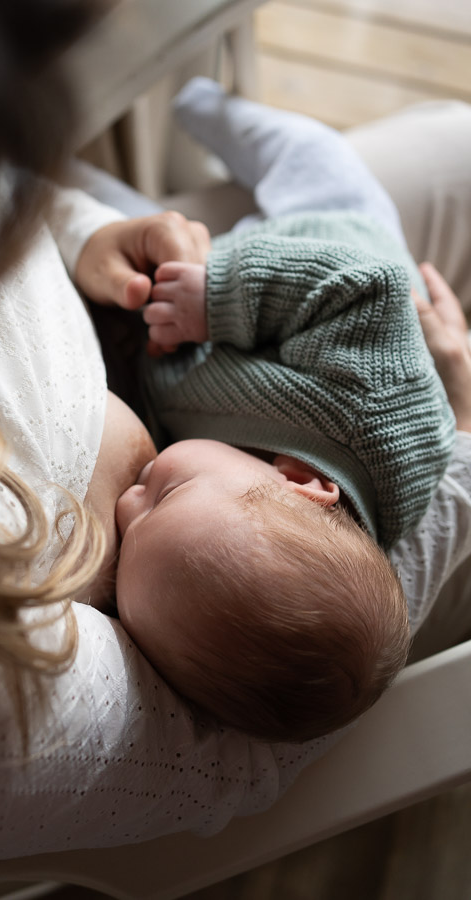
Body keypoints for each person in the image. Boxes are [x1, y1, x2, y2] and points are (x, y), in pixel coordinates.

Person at [0, 0, 471, 871]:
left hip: (164, 299)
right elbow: (233, 739)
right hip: (241, 330)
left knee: (457, 149)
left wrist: (78, 235)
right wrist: (457, 440)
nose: (131, 495)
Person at [108, 79, 454, 742]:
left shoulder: (240, 526)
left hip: (193, 313)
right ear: (299, 479)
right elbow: (365, 288)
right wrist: (220, 300)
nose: (127, 504)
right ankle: (207, 100)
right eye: (165, 493)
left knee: (120, 224)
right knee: (305, 155)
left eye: (128, 535)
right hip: (323, 248)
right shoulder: (372, 414)